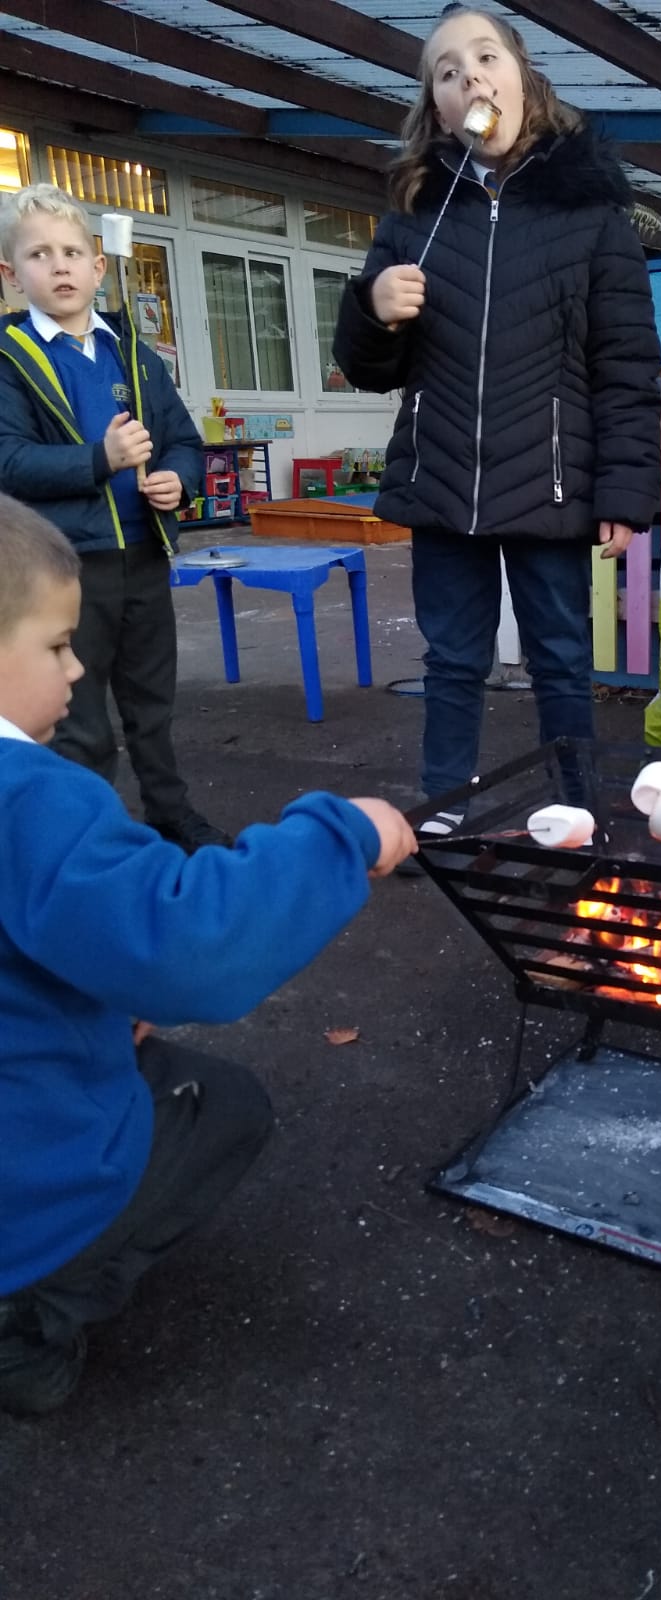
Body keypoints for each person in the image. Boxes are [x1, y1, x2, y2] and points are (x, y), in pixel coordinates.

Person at [0, 496, 418, 1416]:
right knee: (226, 1105)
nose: (78, 670)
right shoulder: (29, 798)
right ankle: (26, 1321)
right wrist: (341, 832)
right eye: (58, 645)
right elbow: (194, 946)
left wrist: (104, 1005)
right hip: (22, 1190)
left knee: (132, 1039)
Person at [333, 3, 661, 848]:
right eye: (448, 70)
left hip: (548, 484)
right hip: (445, 481)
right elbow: (372, 367)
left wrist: (623, 490)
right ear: (437, 109)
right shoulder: (413, 215)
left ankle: (578, 807)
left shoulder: (591, 213)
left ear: (523, 76)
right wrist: (373, 309)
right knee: (452, 659)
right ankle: (443, 804)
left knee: (558, 655)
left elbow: (625, 364)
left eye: (486, 57)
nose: (471, 76)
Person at [0, 182, 227, 853]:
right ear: (12, 276)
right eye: (40, 254)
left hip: (144, 558)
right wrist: (100, 458)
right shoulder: (10, 361)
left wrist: (177, 482)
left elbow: (185, 439)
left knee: (152, 702)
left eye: (73, 251)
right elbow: (9, 461)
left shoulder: (133, 354)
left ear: (100, 268)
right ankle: (86, 834)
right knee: (79, 716)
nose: (60, 265)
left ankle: (169, 811)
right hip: (68, 569)